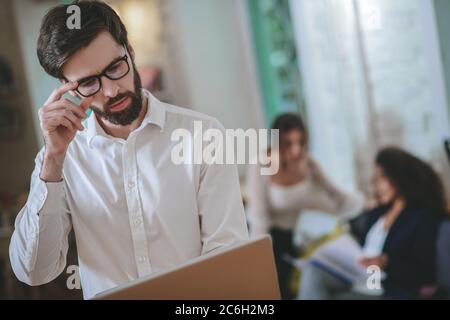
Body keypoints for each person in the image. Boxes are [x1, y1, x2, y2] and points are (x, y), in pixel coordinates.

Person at [9, 1, 248, 299]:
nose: (111, 90)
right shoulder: (60, 159)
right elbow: (34, 271)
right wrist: (53, 159)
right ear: (67, 88)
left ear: (130, 51)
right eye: (88, 83)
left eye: (114, 68)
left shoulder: (204, 135)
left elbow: (227, 254)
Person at [300, 147, 447, 300]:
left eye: (381, 177)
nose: (376, 185)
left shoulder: (421, 217)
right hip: (361, 281)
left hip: (386, 289)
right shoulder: (377, 214)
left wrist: (386, 262)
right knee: (313, 270)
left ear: (399, 176)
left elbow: (424, 272)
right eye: (374, 179)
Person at [246, 113, 363, 299]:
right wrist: (258, 258)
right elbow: (259, 217)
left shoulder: (308, 164)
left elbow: (337, 196)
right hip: (264, 237)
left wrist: (366, 205)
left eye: (300, 142)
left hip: (291, 237)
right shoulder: (262, 163)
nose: (296, 150)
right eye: (288, 143)